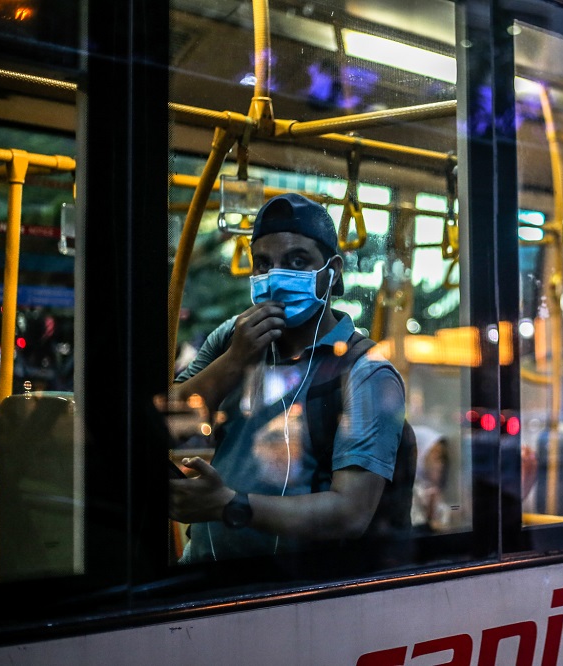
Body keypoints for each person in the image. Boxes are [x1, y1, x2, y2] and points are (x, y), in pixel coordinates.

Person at [168, 193, 414, 562]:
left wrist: (230, 505)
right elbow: (172, 425)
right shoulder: (230, 339)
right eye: (263, 263)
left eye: (297, 261)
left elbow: (350, 514)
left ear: (332, 272)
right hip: (206, 575)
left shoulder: (364, 371)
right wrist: (235, 360)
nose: (276, 277)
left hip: (297, 597)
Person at [410, 425, 452, 534]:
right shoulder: (406, 491)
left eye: (443, 458)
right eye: (437, 456)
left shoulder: (431, 491)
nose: (441, 464)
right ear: (418, 453)